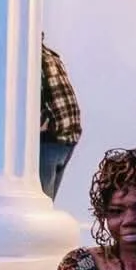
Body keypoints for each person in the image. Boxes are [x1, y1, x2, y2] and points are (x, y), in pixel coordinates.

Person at [39, 38, 82, 201]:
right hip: (70, 134)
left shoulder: (35, 59)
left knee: (41, 201)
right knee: (46, 201)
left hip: (53, 136)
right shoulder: (51, 55)